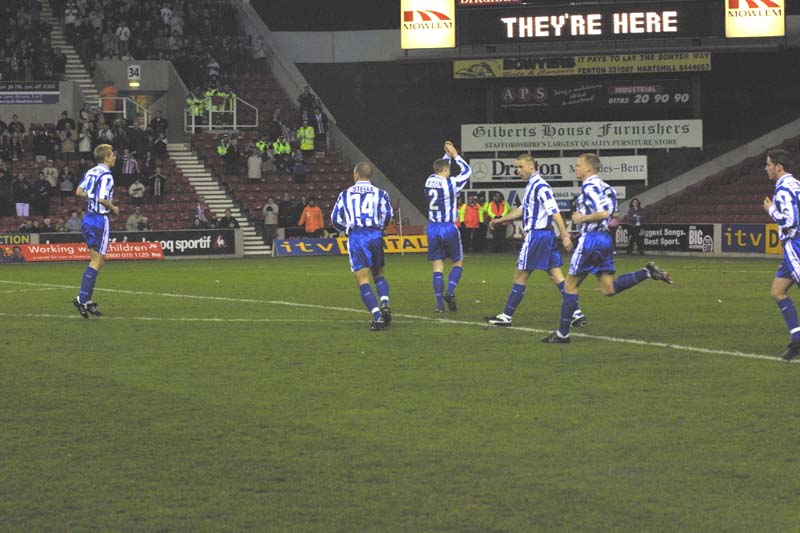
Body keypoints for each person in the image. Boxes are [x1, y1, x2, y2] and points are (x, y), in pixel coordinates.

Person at [541, 153, 672, 344]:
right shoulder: (606, 187)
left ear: (588, 168)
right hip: (604, 239)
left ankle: (562, 333)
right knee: (608, 289)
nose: (575, 168)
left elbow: (603, 213)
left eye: (578, 165)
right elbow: (613, 212)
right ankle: (647, 272)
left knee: (569, 286)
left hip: (591, 239)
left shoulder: (590, 186)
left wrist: (581, 218)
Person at [484, 154, 586, 328]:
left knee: (521, 275)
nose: (518, 170)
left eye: (521, 167)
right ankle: (576, 313)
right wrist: (501, 219)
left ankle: (506, 316)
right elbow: (523, 209)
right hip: (545, 237)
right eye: (517, 167)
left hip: (537, 237)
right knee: (556, 276)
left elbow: (555, 212)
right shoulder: (532, 185)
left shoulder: (540, 186)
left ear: (531, 167)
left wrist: (565, 235)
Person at [330, 161, 393, 330]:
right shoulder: (381, 193)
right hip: (375, 234)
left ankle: (377, 317)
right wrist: (380, 227)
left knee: (362, 279)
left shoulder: (345, 194)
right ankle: (385, 302)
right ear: (370, 175)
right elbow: (387, 214)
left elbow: (335, 219)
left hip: (357, 236)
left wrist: (346, 229)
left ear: (356, 175)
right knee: (379, 273)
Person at [73, 144, 119, 319]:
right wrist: (114, 208)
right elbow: (102, 199)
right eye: (112, 154)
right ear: (106, 157)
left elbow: (79, 192)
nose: (114, 157)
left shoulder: (91, 172)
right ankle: (81, 299)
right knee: (98, 261)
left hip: (88, 218)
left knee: (96, 261)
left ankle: (87, 301)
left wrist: (91, 196)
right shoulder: (107, 175)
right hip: (100, 219)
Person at [425, 141, 472, 313]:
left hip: (432, 228)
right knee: (457, 262)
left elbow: (442, 167)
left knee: (437, 266)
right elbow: (468, 171)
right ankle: (450, 291)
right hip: (448, 227)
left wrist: (445, 154)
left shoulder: (429, 181)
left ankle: (439, 306)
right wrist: (455, 155)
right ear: (446, 170)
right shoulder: (451, 184)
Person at [762, 149, 800, 361]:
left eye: (768, 164)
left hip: (797, 246)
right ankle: (797, 339)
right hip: (791, 249)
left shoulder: (784, 189)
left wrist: (770, 210)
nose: (766, 168)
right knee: (778, 291)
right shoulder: (796, 184)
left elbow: (790, 221)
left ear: (779, 167)